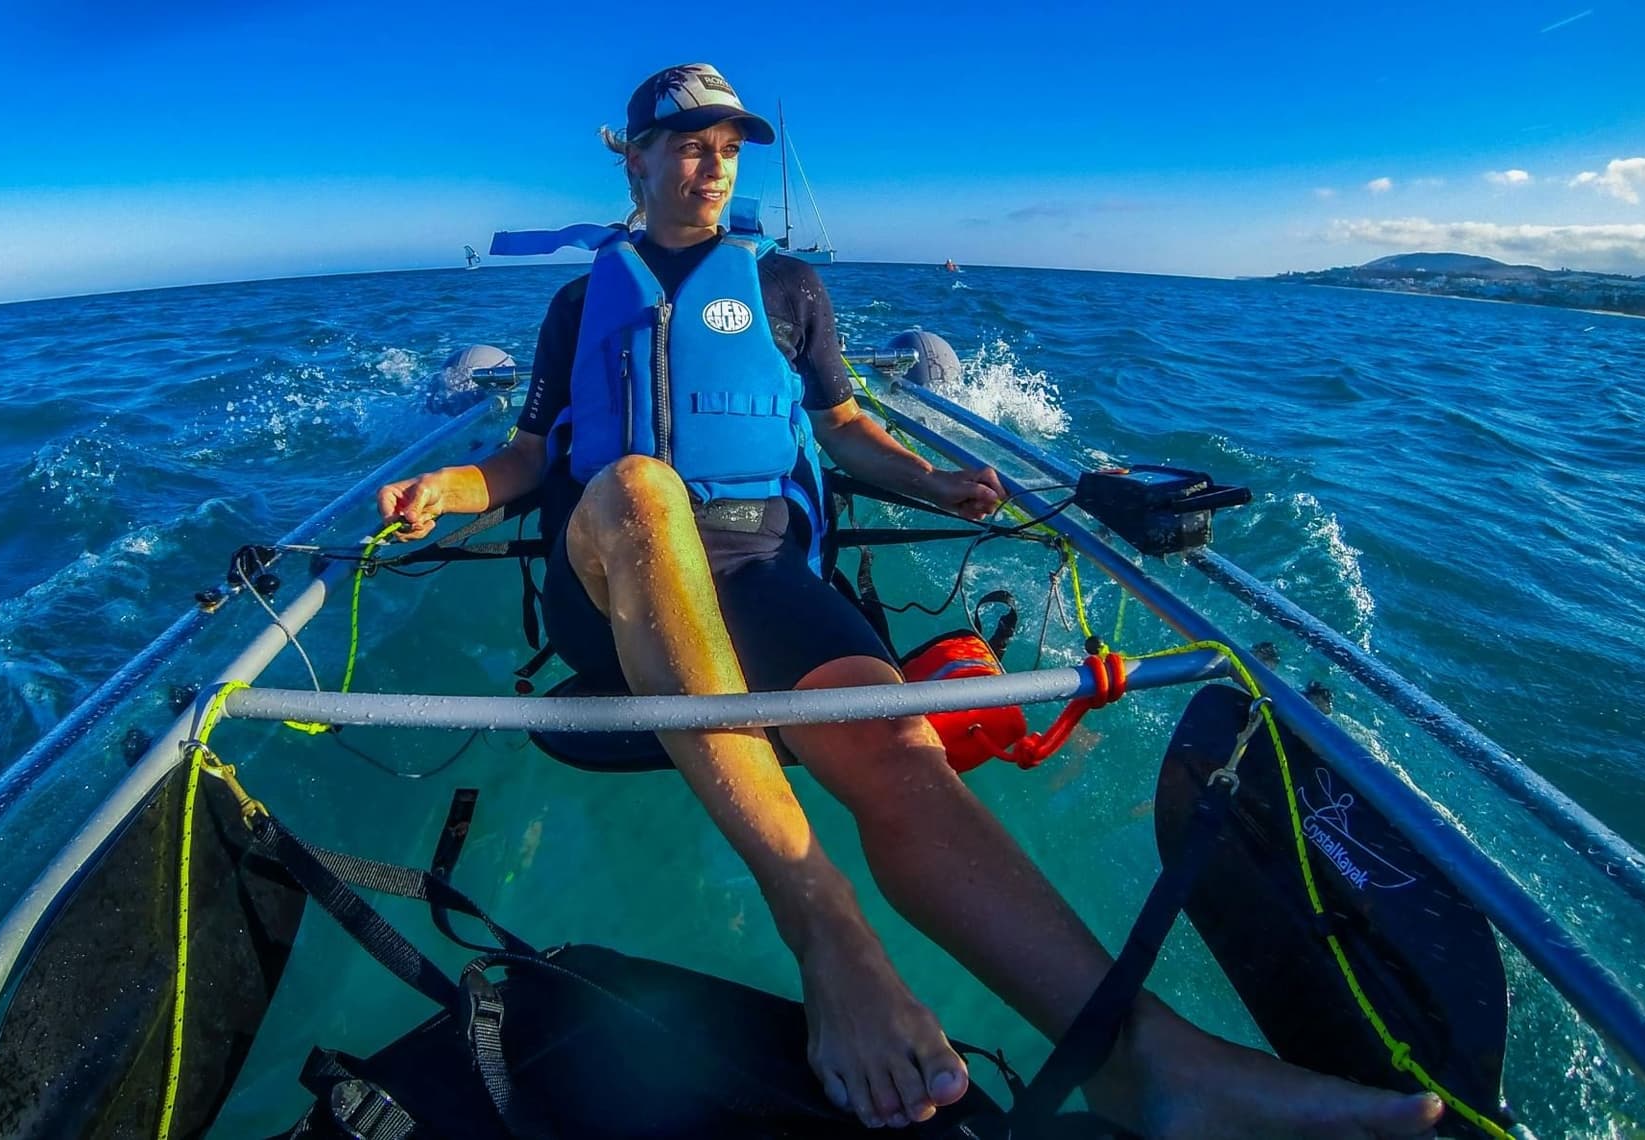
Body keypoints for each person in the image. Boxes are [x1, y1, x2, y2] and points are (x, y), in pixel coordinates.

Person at [377, 63, 1447, 1137]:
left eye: (730, 147)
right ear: (638, 155)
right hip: (608, 578)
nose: (713, 163)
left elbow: (843, 427)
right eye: (690, 142)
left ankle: (1148, 1060)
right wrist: (448, 489)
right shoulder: (577, 303)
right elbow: (522, 457)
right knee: (642, 489)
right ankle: (826, 925)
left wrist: (935, 480)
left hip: (757, 568)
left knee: (899, 746)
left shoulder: (787, 287)